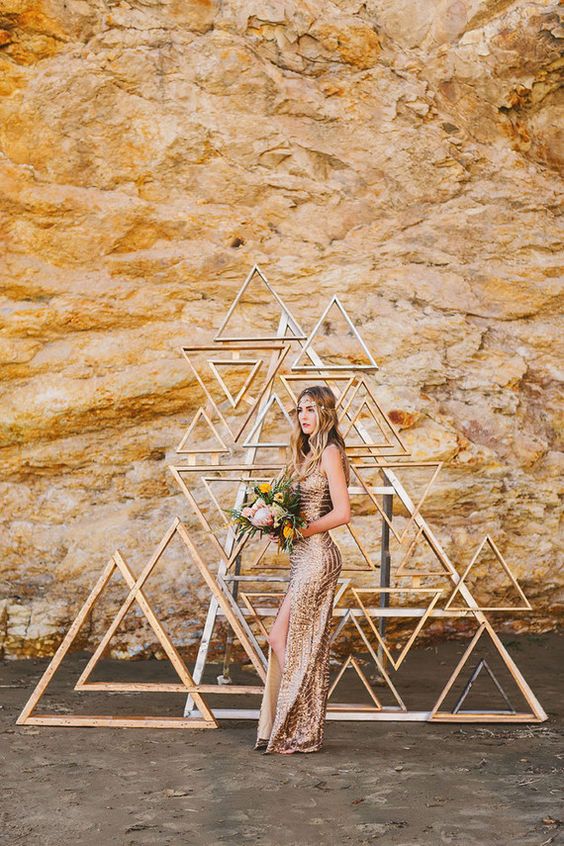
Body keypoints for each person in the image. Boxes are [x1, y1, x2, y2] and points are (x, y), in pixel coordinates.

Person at [254, 385, 351, 754]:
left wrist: (298, 530)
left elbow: (342, 513)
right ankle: (295, 721)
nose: (304, 417)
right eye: (300, 410)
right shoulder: (306, 454)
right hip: (301, 557)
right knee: (286, 640)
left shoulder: (330, 452)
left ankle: (302, 726)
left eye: (311, 409)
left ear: (325, 413)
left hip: (319, 557)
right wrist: (273, 521)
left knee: (293, 641)